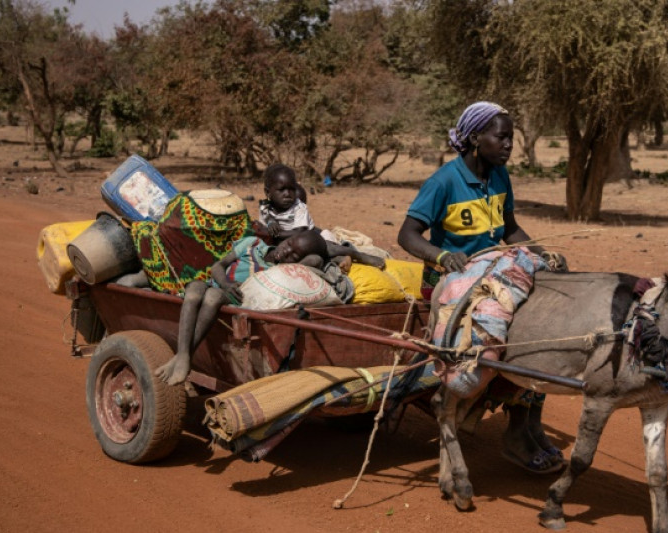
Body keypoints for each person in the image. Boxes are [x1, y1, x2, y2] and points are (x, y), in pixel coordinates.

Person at [397, 101, 568, 474]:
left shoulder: (499, 176)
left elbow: (508, 228)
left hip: (494, 275)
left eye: (511, 138)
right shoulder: (443, 181)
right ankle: (509, 423)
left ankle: (526, 424)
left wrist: (544, 254)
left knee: (540, 320)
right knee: (501, 330)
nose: (509, 145)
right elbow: (407, 235)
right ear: (476, 138)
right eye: (501, 137)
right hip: (453, 284)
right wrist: (441, 257)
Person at [154, 230, 329, 386]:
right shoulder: (253, 244)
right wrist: (225, 283)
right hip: (218, 283)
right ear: (286, 238)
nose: (287, 251)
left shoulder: (278, 270)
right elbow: (218, 266)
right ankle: (183, 354)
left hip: (229, 298)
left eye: (294, 255)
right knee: (193, 291)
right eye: (289, 244)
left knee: (213, 297)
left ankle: (183, 358)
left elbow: (316, 259)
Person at [257, 164, 385, 270]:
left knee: (327, 246)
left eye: (291, 189)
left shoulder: (298, 207)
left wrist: (276, 234)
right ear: (268, 192)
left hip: (305, 242)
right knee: (312, 259)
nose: (287, 194)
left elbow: (300, 232)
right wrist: (268, 226)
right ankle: (313, 263)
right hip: (284, 248)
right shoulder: (265, 208)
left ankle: (356, 254)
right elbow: (264, 230)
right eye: (282, 190)